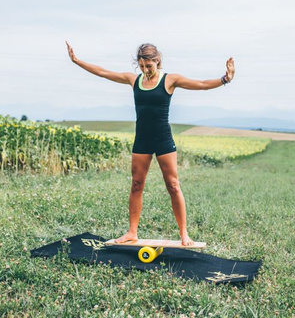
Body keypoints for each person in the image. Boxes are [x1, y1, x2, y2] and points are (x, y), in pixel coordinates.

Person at [66, 41, 235, 246]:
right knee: (136, 184)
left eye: (149, 66)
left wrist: (225, 79)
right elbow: (103, 72)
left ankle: (184, 234)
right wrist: (76, 61)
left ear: (158, 62)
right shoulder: (133, 79)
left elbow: (200, 85)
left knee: (173, 185)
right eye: (142, 66)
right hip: (142, 139)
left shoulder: (170, 80)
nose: (145, 70)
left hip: (163, 139)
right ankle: (131, 232)